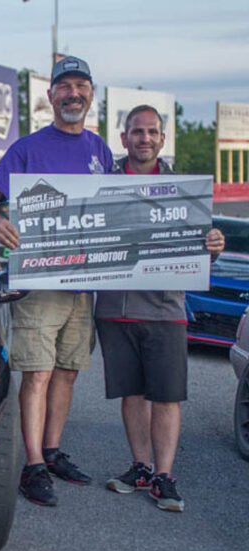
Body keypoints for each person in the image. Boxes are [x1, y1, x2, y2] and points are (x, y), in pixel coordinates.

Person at [0, 56, 113, 506]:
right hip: (39, 280)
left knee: (68, 371)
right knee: (37, 374)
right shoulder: (28, 148)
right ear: (50, 96)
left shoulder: (100, 150)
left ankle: (51, 450)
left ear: (92, 94)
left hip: (82, 284)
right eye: (65, 87)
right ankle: (31, 464)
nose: (74, 94)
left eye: (81, 86)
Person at [95, 105, 224, 512]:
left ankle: (164, 477)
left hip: (166, 309)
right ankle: (140, 467)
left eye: (152, 132)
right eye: (137, 131)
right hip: (116, 309)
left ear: (162, 139)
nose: (144, 138)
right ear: (124, 138)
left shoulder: (185, 192)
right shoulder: (101, 185)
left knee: (166, 396)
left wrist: (213, 248)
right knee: (131, 394)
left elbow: (200, 249)